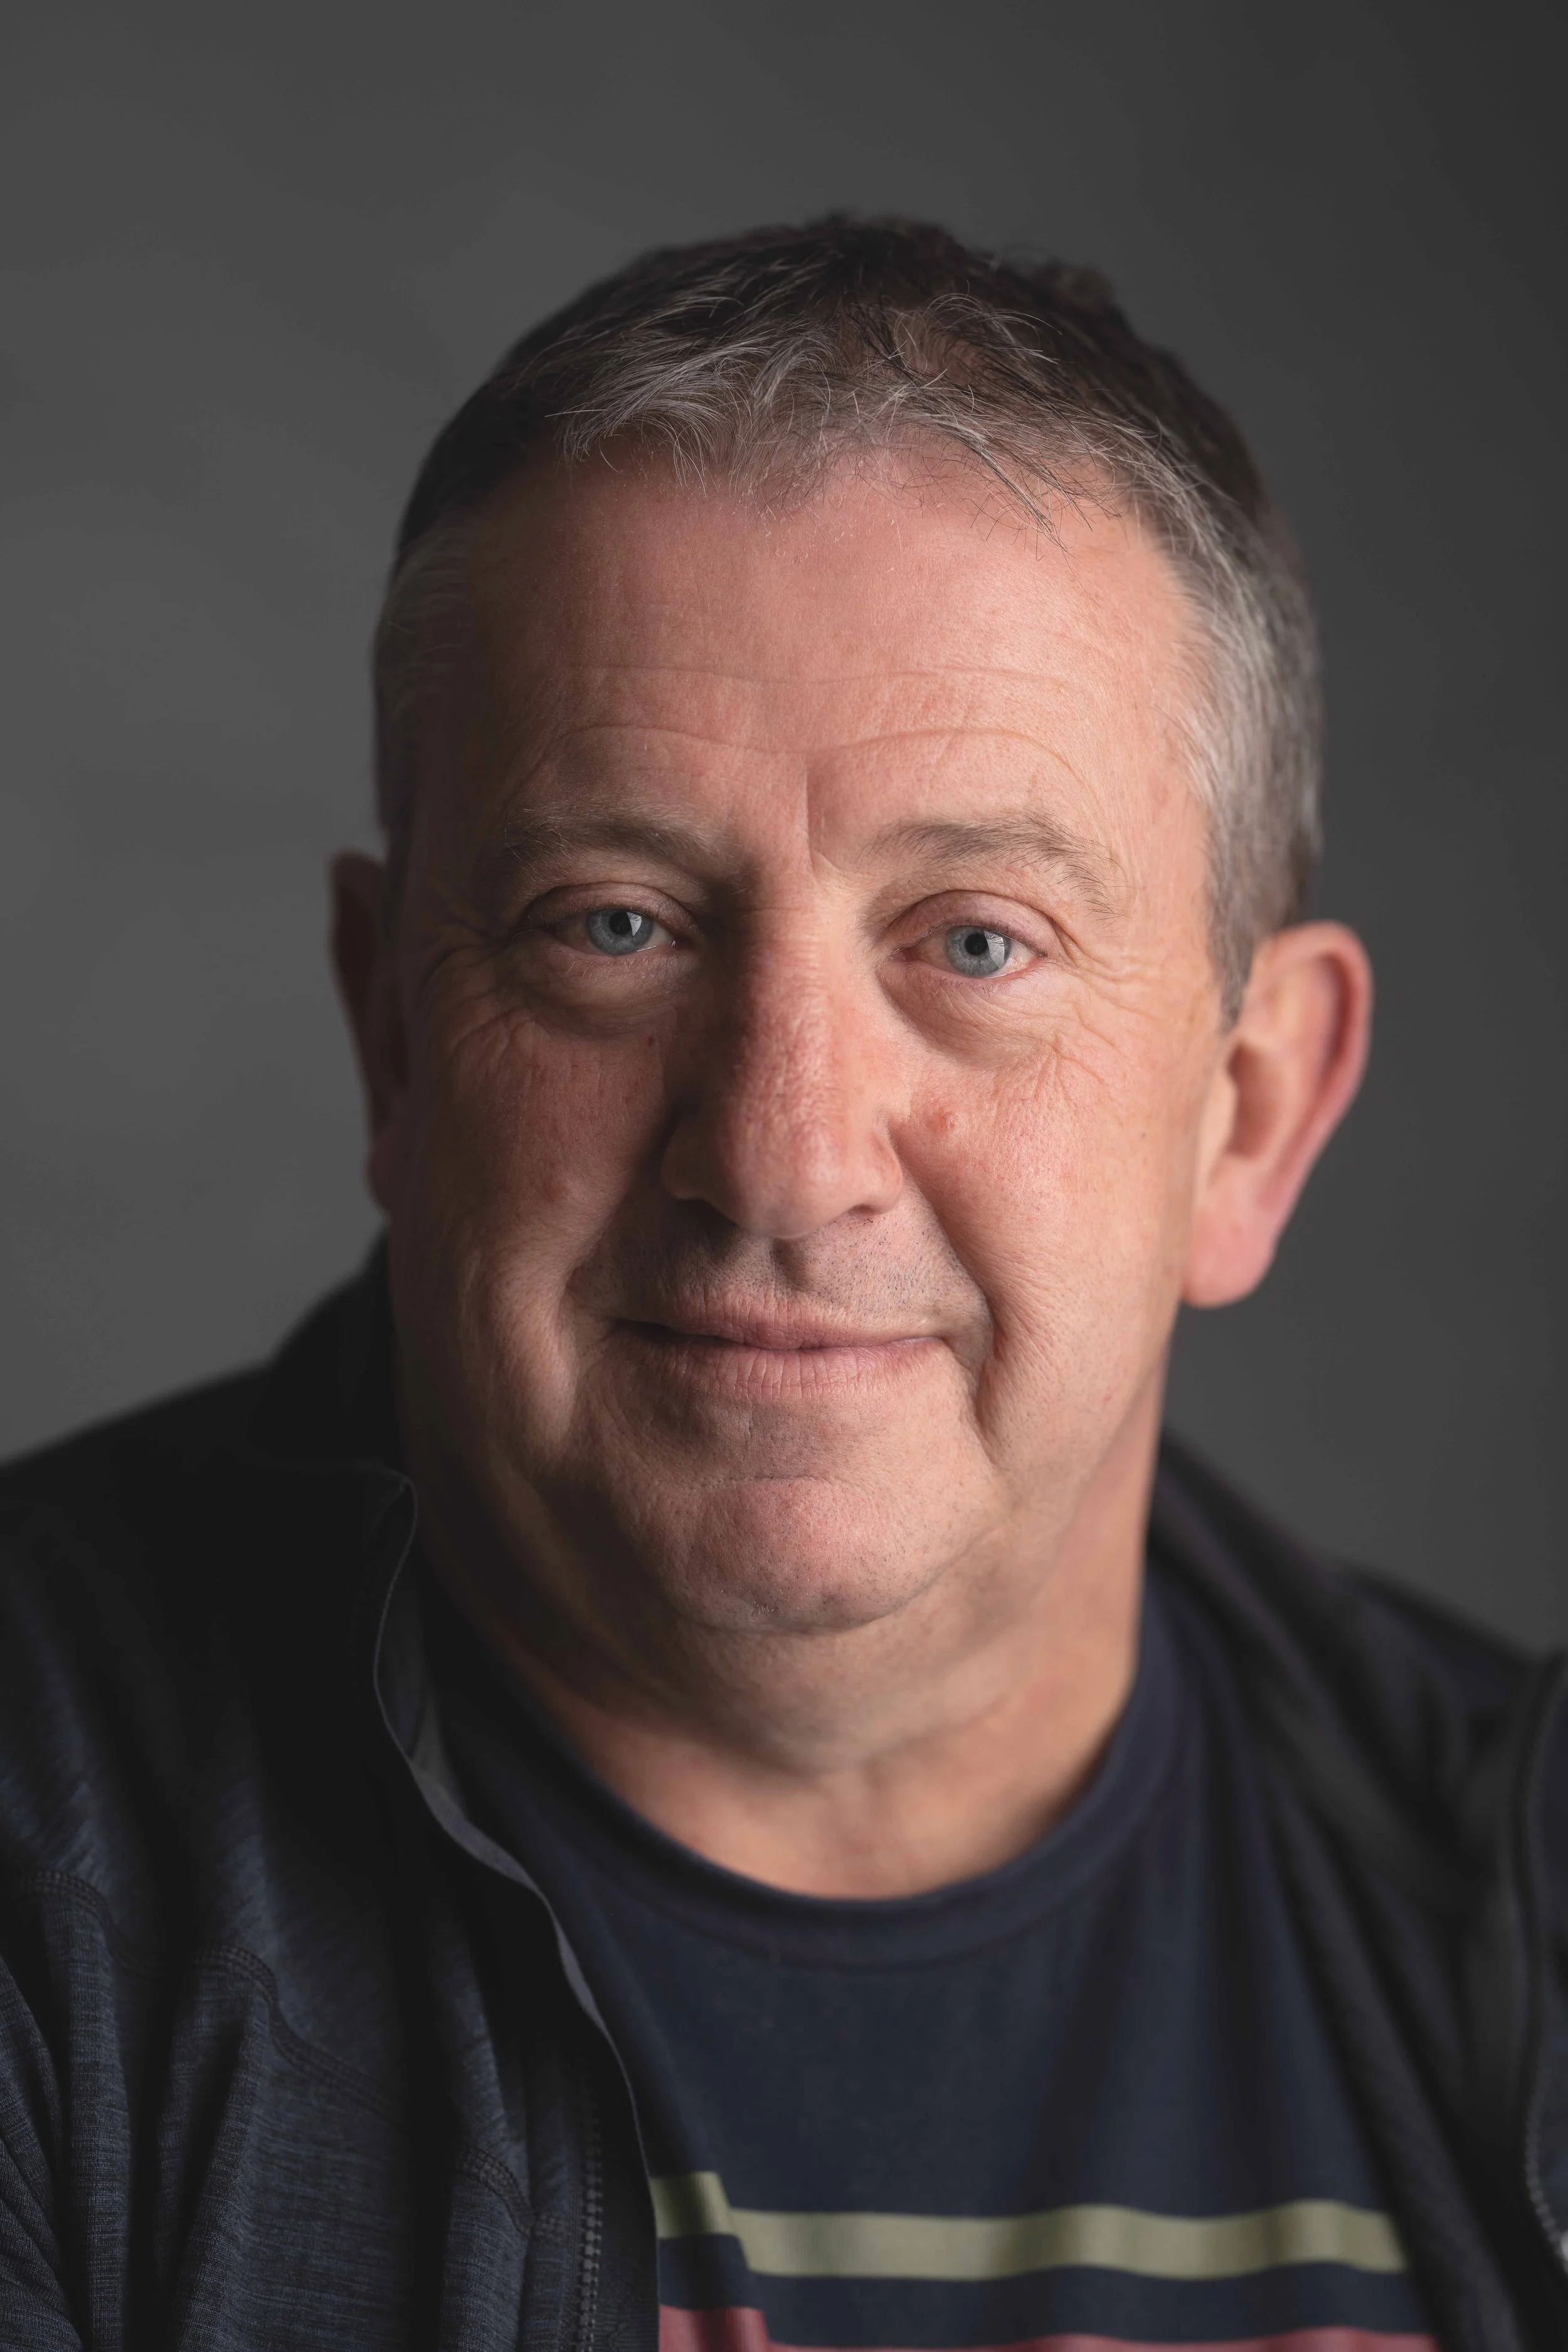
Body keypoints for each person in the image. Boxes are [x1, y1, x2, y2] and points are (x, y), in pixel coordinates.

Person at [1, 217, 1563, 2352]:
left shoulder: (1528, 1902)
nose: (777, 1150)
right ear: (389, 1037)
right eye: (614, 923)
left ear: (1252, 1111)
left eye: (975, 940)